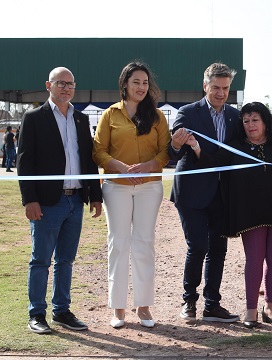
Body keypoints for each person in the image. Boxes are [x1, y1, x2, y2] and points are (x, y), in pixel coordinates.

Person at [183, 101, 272, 328]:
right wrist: (196, 147)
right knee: (254, 260)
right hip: (250, 214)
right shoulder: (235, 146)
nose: (250, 125)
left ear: (265, 121)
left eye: (255, 120)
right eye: (246, 120)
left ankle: (270, 307)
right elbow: (214, 164)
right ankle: (251, 310)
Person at [17, 66, 103, 334]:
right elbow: (25, 162)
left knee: (66, 260)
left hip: (75, 200)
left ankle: (62, 311)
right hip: (46, 202)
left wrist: (95, 196)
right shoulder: (33, 118)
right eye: (60, 83)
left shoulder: (80, 119)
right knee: (41, 259)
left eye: (70, 84)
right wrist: (29, 199)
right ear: (48, 85)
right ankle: (37, 314)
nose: (66, 88)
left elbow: (88, 159)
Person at [93, 61, 171, 329]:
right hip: (116, 187)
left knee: (144, 243)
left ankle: (144, 307)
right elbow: (99, 151)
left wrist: (149, 166)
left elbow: (165, 152)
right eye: (136, 82)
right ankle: (118, 308)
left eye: (145, 83)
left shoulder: (158, 116)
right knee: (118, 243)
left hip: (150, 186)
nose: (141, 87)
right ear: (125, 83)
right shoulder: (109, 115)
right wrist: (122, 169)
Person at [169, 62, 241, 323]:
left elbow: (232, 155)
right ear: (205, 86)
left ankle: (212, 305)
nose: (221, 93)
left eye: (225, 88)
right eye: (216, 88)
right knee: (198, 245)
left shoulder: (235, 116)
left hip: (222, 193)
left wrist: (201, 151)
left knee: (219, 249)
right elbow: (171, 152)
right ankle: (189, 301)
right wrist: (178, 146)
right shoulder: (187, 113)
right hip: (192, 194)